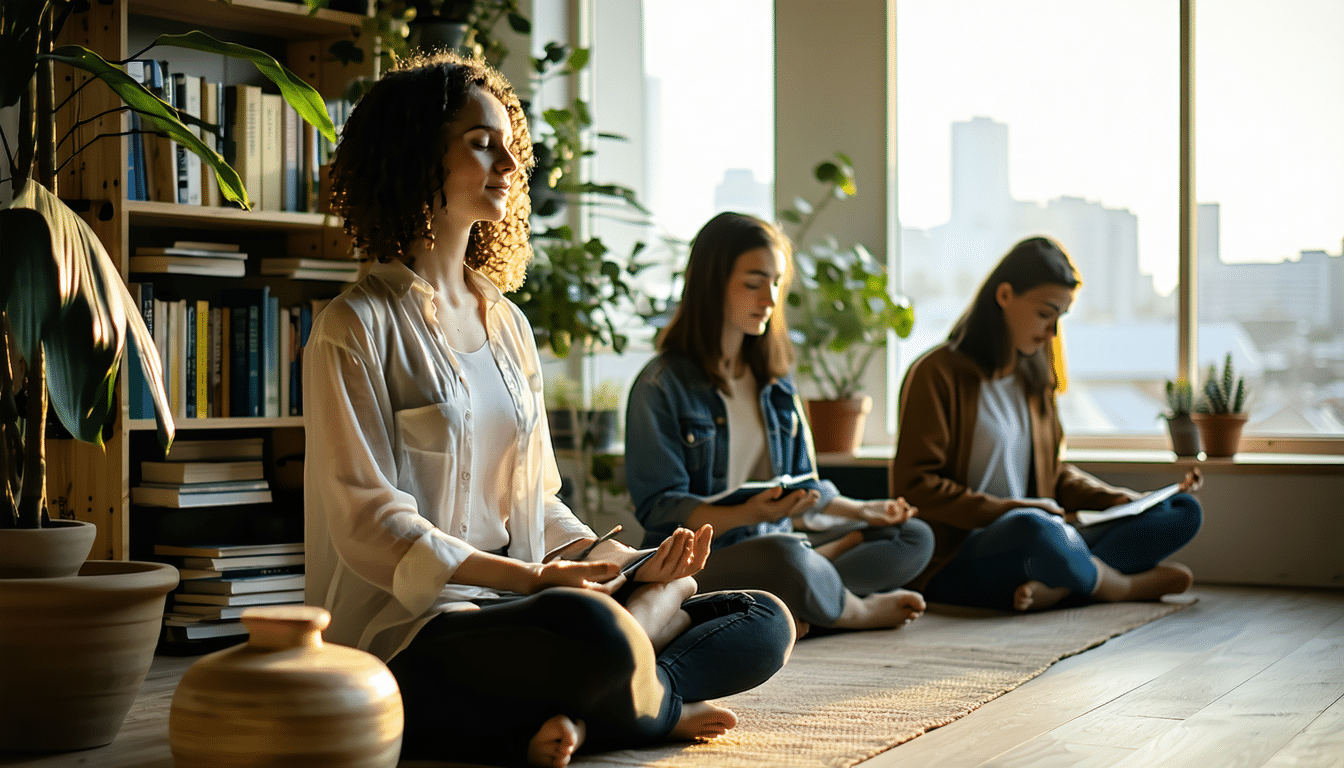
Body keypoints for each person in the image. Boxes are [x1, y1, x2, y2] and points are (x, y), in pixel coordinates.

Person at [304, 52, 795, 768]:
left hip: (531, 612)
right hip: (417, 633)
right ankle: (643, 701)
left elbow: (537, 504)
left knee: (759, 615)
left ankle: (594, 713)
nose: (510, 161)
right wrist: (530, 580)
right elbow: (371, 526)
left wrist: (622, 559)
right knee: (588, 626)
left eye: (511, 143)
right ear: (416, 154)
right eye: (481, 142)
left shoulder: (508, 325)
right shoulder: (356, 328)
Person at [624, 212, 934, 637]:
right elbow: (662, 507)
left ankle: (799, 601)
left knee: (913, 536)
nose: (769, 300)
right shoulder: (660, 386)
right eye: (753, 283)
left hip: (780, 538)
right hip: (708, 559)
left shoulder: (776, 384)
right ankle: (849, 610)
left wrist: (863, 510)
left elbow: (804, 486)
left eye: (775, 283)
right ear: (712, 286)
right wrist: (751, 512)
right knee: (784, 556)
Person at [889, 236, 1203, 613]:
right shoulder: (935, 373)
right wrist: (1008, 509)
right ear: (1004, 295)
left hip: (1045, 533)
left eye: (1060, 318)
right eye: (1044, 313)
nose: (1052, 331)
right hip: (968, 551)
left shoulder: (1036, 375)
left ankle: (1062, 582)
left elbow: (1052, 475)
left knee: (1183, 510)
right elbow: (915, 487)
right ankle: (1112, 585)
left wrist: (1123, 501)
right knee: (1034, 527)